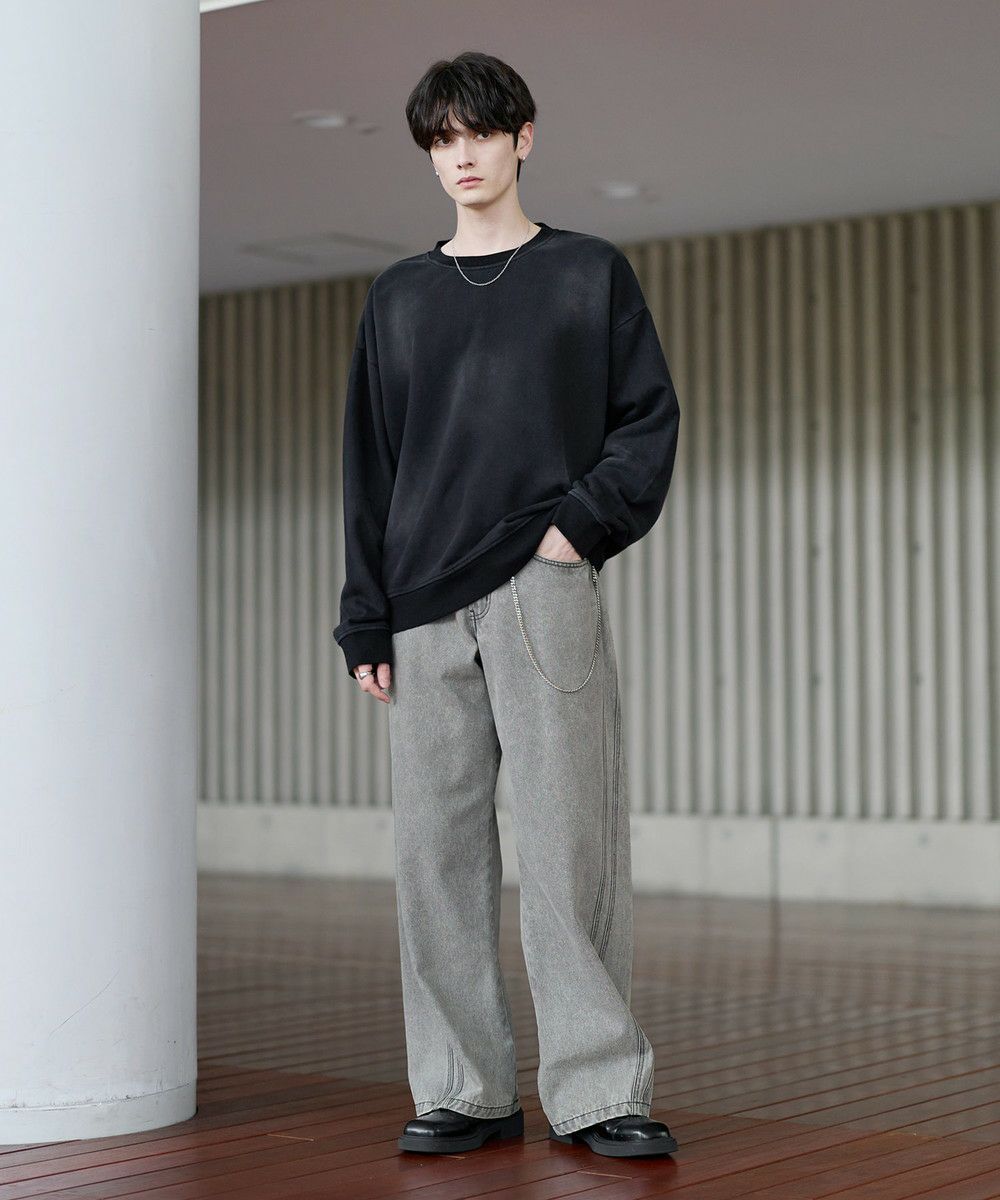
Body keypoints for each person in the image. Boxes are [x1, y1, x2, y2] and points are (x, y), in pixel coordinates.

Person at [333, 51, 681, 1159]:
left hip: (541, 585)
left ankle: (598, 1089)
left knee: (570, 841)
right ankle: (462, 1087)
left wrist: (575, 531)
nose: (461, 156)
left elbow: (646, 421)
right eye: (441, 139)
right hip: (420, 605)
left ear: (523, 137)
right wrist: (365, 614)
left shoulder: (586, 273)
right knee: (434, 857)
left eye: (478, 133)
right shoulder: (398, 296)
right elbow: (370, 465)